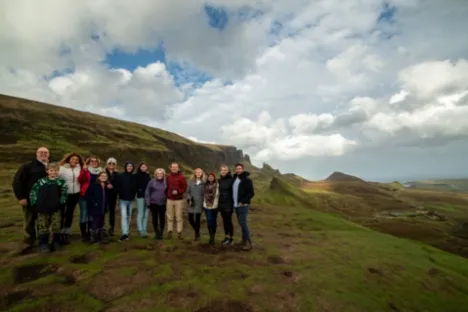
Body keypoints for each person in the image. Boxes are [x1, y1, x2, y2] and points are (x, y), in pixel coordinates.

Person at [12, 146, 49, 246]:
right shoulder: (27, 166)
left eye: (45, 152)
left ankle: (42, 238)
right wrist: (21, 197)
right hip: (30, 198)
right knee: (29, 220)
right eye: (41, 152)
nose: (43, 154)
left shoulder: (50, 167)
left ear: (48, 154)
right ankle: (29, 240)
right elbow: (17, 182)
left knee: (43, 219)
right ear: (36, 154)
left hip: (45, 199)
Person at [29, 162, 68, 252]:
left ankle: (56, 242)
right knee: (43, 225)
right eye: (51, 170)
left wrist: (61, 201)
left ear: (58, 171)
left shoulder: (61, 182)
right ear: (47, 171)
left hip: (55, 207)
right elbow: (33, 192)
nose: (53, 172)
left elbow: (64, 193)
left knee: (56, 224)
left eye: (55, 170)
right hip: (42, 207)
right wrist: (34, 202)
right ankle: (43, 244)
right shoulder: (41, 181)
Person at [59, 152, 85, 245]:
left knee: (70, 213)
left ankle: (66, 232)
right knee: (61, 213)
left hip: (75, 194)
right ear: (68, 159)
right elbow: (57, 179)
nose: (74, 161)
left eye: (77, 160)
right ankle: (59, 232)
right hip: (64, 194)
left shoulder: (80, 168)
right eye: (73, 159)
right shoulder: (62, 168)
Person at [78, 156, 103, 242]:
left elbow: (104, 180)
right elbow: (80, 179)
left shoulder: (100, 171)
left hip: (94, 197)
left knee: (91, 215)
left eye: (95, 161)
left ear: (98, 162)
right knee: (84, 214)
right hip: (84, 195)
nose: (93, 162)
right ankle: (83, 234)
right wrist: (84, 171)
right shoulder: (86, 170)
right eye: (91, 161)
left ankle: (90, 232)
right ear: (88, 162)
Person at [232, 163, 255, 251]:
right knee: (241, 223)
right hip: (236, 205)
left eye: (239, 168)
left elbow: (251, 193)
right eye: (237, 168)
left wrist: (242, 201)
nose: (238, 170)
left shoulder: (247, 180)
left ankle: (249, 243)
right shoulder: (235, 179)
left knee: (243, 222)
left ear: (243, 169)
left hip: (243, 205)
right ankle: (243, 240)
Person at [85, 171, 112, 244]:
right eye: (102, 176)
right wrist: (94, 202)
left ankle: (101, 237)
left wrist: (110, 189)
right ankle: (93, 238)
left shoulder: (107, 186)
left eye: (105, 176)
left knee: (101, 222)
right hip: (95, 207)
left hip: (103, 207)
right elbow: (87, 195)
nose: (103, 177)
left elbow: (109, 197)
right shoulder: (94, 185)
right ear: (98, 177)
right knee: (95, 222)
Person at [166, 162, 187, 240]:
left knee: (179, 217)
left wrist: (178, 192)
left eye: (176, 167)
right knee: (169, 217)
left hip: (179, 200)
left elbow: (184, 187)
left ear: (178, 168)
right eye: (173, 167)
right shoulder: (168, 177)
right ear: (170, 168)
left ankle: (179, 233)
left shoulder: (182, 177)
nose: (174, 168)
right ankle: (169, 232)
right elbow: (166, 187)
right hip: (169, 199)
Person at [116, 161, 137, 242]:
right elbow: (117, 186)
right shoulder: (121, 176)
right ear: (125, 167)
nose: (129, 167)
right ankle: (124, 233)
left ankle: (126, 233)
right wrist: (120, 192)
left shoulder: (134, 177)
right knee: (124, 216)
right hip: (123, 200)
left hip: (131, 200)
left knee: (129, 216)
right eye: (128, 166)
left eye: (131, 166)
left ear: (132, 168)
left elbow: (136, 186)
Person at [145, 168, 167, 240]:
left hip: (163, 203)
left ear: (163, 174)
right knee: (155, 218)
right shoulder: (152, 182)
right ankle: (157, 233)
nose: (159, 175)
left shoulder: (166, 182)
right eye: (158, 173)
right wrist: (148, 202)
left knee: (162, 218)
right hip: (153, 203)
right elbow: (147, 192)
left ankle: (161, 233)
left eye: (161, 173)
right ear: (155, 174)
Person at [187, 168, 205, 241]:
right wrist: (189, 199)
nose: (198, 173)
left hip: (200, 203)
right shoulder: (190, 182)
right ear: (194, 173)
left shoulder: (204, 182)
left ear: (202, 173)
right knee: (190, 219)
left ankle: (196, 235)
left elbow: (205, 194)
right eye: (196, 172)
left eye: (199, 172)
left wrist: (204, 203)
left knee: (197, 219)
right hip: (192, 202)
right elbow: (188, 192)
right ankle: (197, 231)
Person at [218, 165, 234, 245]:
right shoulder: (220, 180)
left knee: (228, 221)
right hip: (221, 204)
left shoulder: (231, 180)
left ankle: (231, 238)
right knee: (224, 222)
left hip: (229, 204)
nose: (223, 171)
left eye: (225, 170)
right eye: (222, 170)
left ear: (227, 171)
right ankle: (226, 237)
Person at [204, 172, 220, 245]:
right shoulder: (205, 185)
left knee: (214, 221)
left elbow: (219, 195)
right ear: (208, 178)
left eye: (212, 176)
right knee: (209, 221)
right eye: (209, 176)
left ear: (214, 177)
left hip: (215, 206)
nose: (210, 177)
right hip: (206, 206)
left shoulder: (217, 185)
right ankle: (211, 236)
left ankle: (213, 237)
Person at [135, 162, 151, 238]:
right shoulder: (137, 175)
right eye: (142, 167)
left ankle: (144, 229)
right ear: (140, 168)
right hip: (140, 197)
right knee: (141, 213)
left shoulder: (148, 176)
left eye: (145, 166)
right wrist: (139, 190)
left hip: (148, 197)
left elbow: (150, 185)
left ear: (146, 168)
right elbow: (134, 185)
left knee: (146, 214)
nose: (143, 168)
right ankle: (140, 230)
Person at [105, 158, 118, 236]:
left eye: (113, 163)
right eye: (110, 163)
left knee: (112, 212)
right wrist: (107, 186)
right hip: (104, 194)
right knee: (103, 211)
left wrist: (114, 188)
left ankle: (111, 229)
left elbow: (118, 184)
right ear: (107, 164)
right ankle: (102, 228)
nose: (111, 165)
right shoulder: (103, 172)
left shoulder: (117, 174)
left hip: (113, 195)